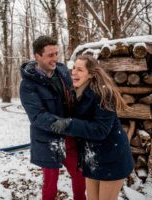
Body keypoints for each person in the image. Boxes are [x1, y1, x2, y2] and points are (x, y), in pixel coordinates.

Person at [50, 55, 134, 200]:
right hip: (92, 158)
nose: (74, 72)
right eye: (74, 68)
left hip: (111, 159)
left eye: (80, 70)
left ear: (91, 74)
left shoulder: (103, 94)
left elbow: (100, 130)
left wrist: (70, 123)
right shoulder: (76, 92)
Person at [19, 35, 86, 200]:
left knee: (80, 177)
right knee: (50, 185)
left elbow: (76, 94)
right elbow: (37, 116)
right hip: (48, 141)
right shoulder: (28, 85)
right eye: (50, 55)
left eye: (56, 53)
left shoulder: (63, 70)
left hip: (71, 139)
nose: (55, 58)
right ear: (37, 56)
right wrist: (66, 124)